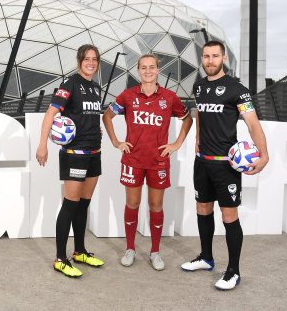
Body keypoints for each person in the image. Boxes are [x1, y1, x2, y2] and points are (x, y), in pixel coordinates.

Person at [181, 40, 269, 290]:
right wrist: (198, 137)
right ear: (202, 59)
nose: (210, 61)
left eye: (215, 56)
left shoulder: (237, 89)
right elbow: (200, 113)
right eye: (206, 56)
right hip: (203, 162)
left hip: (226, 165)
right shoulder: (198, 86)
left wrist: (264, 155)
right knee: (202, 209)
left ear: (224, 59)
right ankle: (206, 258)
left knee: (229, 215)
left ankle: (233, 271)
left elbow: (252, 123)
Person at [102, 54, 193, 270]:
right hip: (133, 160)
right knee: (132, 204)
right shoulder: (127, 96)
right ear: (138, 71)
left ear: (158, 70)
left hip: (158, 161)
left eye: (152, 67)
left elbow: (187, 119)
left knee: (156, 205)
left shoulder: (170, 97)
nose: (148, 71)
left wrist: (176, 143)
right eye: (144, 67)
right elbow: (107, 116)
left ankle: (155, 252)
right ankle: (130, 248)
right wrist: (116, 142)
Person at [36, 44, 104, 278]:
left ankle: (79, 251)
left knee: (84, 204)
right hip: (74, 154)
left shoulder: (96, 87)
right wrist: (43, 144)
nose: (91, 63)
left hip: (94, 152)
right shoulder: (70, 84)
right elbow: (51, 114)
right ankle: (60, 258)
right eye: (87, 59)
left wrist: (97, 129)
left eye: (95, 59)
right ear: (79, 61)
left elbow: (87, 115)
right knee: (70, 203)